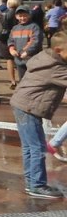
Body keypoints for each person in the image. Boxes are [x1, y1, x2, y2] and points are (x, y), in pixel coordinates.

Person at [9, 30, 67, 199]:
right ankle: (37, 185)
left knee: (29, 146)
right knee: (37, 147)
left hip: (22, 104)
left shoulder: (46, 58)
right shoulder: (55, 68)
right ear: (58, 50)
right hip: (28, 107)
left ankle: (31, 182)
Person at [8, 6, 43, 90]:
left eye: (25, 15)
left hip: (32, 59)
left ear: (29, 15)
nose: (22, 18)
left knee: (33, 80)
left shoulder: (34, 27)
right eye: (20, 16)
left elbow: (36, 41)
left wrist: (27, 52)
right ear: (16, 17)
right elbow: (11, 40)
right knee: (22, 79)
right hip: (19, 59)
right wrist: (11, 49)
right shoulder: (15, 28)